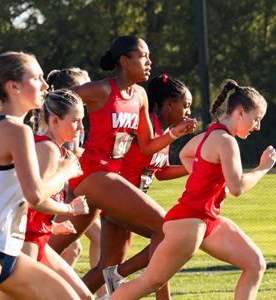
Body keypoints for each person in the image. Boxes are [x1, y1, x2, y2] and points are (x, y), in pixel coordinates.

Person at [47, 35, 196, 299]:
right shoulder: (102, 90)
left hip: (107, 182)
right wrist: (53, 143)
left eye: (149, 56)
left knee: (44, 248)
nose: (149, 62)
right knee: (168, 228)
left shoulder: (139, 95)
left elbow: (148, 145)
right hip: (93, 175)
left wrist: (176, 134)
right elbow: (55, 101)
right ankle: (120, 275)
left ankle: (20, 283)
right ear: (124, 61)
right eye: (143, 56)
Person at [110, 79, 276, 300]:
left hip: (206, 220)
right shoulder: (226, 141)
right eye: (256, 119)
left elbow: (185, 154)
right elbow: (236, 187)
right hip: (188, 221)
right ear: (239, 112)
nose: (257, 126)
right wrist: (262, 168)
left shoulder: (211, 134)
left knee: (255, 264)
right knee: (149, 282)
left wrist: (209, 182)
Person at [0, 51, 89, 300]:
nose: (45, 85)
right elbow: (34, 195)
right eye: (37, 78)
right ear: (14, 87)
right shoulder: (16, 130)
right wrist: (66, 171)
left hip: (5, 251)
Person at [100, 74, 193, 293]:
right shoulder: (147, 123)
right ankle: (119, 274)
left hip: (132, 201)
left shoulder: (164, 131)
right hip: (119, 197)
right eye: (186, 105)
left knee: (105, 268)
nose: (188, 111)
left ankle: (112, 278)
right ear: (168, 105)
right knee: (167, 235)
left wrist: (195, 167)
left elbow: (161, 172)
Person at [20, 89, 93, 299]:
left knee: (84, 297)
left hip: (37, 236)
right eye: (76, 121)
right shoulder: (48, 148)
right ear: (54, 120)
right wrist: (71, 208)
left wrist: (51, 225)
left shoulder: (54, 149)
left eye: (82, 121)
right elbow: (34, 200)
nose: (81, 128)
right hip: (25, 239)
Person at [45, 68, 103, 296]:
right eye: (83, 87)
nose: (89, 93)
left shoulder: (70, 126)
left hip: (63, 198)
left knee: (74, 249)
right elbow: (34, 194)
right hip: (50, 206)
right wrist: (68, 206)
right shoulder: (48, 140)